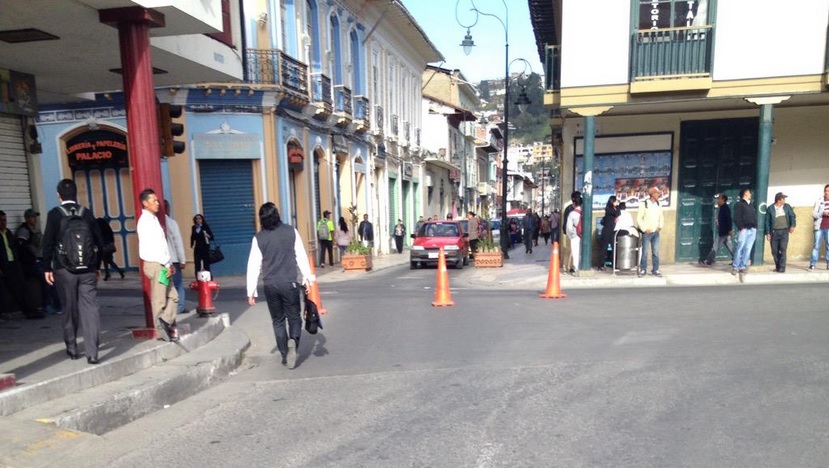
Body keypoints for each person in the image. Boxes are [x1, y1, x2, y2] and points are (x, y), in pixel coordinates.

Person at [246, 202, 315, 369]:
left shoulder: (259, 238)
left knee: (277, 320)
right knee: (294, 317)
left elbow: (253, 265)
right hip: (289, 282)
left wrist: (251, 291)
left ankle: (284, 353)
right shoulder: (291, 232)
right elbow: (301, 255)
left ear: (261, 219)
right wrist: (307, 278)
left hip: (270, 284)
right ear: (277, 214)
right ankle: (293, 343)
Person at [42, 179, 104, 363]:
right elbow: (99, 242)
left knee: (69, 308)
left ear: (58, 195)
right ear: (76, 194)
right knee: (90, 309)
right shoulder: (86, 213)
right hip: (88, 270)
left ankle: (72, 348)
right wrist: (96, 266)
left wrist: (47, 267)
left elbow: (47, 243)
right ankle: (92, 353)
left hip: (64, 270)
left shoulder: (54, 214)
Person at [137, 188, 179, 342]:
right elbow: (156, 247)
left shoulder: (153, 220)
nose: (157, 203)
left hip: (161, 264)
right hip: (157, 265)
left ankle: (164, 321)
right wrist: (167, 264)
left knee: (173, 296)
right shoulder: (146, 222)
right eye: (153, 200)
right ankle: (161, 331)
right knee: (159, 299)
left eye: (157, 200)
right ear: (145, 203)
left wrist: (169, 263)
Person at [16, 208, 61, 315]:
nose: (35, 219)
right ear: (27, 218)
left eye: (35, 217)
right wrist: (32, 258)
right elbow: (22, 247)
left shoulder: (34, 230)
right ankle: (46, 305)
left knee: (52, 279)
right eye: (32, 217)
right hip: (31, 263)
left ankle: (58, 305)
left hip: (39, 260)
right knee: (46, 280)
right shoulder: (24, 230)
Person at [1, 210, 43, 319]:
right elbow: (23, 246)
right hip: (5, 265)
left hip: (14, 263)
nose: (3, 223)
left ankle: (31, 311)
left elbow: (14, 248)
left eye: (5, 220)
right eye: (1, 220)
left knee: (22, 287)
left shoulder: (8, 233)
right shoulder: (23, 231)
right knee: (11, 288)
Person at [164, 200, 188, 314]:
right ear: (167, 209)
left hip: (161, 261)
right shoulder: (172, 223)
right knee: (178, 285)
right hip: (173, 260)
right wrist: (182, 260)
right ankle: (180, 307)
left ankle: (166, 307)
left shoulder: (154, 222)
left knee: (164, 285)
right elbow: (178, 242)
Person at [765, 192, 796, 273]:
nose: (784, 200)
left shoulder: (787, 207)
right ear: (778, 200)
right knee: (774, 251)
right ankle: (778, 266)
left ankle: (782, 268)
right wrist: (768, 233)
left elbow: (792, 216)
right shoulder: (770, 208)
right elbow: (767, 221)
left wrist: (792, 226)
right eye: (783, 199)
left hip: (784, 231)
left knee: (783, 249)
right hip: (774, 232)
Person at [637, 187, 664, 277]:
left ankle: (655, 269)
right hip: (647, 233)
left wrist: (660, 226)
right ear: (652, 194)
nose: (658, 195)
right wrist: (644, 229)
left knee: (655, 252)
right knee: (645, 252)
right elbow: (639, 218)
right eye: (657, 193)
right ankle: (643, 269)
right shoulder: (644, 204)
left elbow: (661, 217)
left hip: (655, 232)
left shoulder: (659, 204)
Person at [731, 188, 757, 279]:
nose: (751, 194)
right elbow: (736, 217)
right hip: (744, 229)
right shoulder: (739, 204)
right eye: (749, 193)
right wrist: (741, 227)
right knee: (740, 248)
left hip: (752, 229)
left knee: (748, 248)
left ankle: (743, 266)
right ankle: (735, 266)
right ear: (745, 194)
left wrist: (755, 227)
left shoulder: (751, 205)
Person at [703, 194, 733, 266]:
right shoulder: (722, 208)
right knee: (729, 245)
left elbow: (728, 219)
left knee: (715, 246)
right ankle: (737, 258)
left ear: (723, 200)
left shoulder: (725, 208)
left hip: (723, 231)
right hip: (724, 230)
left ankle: (709, 260)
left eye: (719, 198)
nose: (718, 200)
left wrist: (729, 229)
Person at [809, 184, 829, 271]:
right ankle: (812, 264)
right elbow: (814, 214)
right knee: (816, 246)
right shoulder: (819, 201)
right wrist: (822, 213)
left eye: (828, 191)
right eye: (826, 191)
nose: (827, 193)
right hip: (819, 227)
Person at [562, 191, 582, 273]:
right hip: (572, 232)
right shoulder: (571, 209)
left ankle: (570, 266)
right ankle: (567, 266)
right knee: (570, 250)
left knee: (571, 250)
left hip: (573, 232)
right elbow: (567, 223)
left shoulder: (570, 208)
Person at [599, 196, 621, 271]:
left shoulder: (615, 208)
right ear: (612, 201)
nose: (617, 203)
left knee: (614, 247)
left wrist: (617, 206)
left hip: (613, 230)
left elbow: (618, 213)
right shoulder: (609, 209)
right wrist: (617, 207)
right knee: (604, 247)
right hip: (607, 230)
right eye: (616, 201)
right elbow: (617, 213)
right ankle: (601, 264)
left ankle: (614, 263)